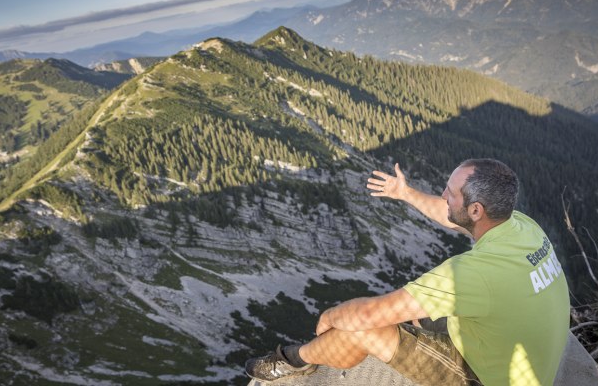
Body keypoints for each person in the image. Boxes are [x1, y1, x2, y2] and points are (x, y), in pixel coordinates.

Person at [244, 158, 570, 385]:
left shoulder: (473, 274)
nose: (443, 195)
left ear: (475, 210)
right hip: (519, 354)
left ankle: (294, 359)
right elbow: (450, 215)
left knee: (358, 329)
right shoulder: (520, 226)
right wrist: (405, 193)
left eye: (450, 192)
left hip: (485, 377)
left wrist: (331, 314)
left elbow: (368, 315)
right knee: (407, 309)